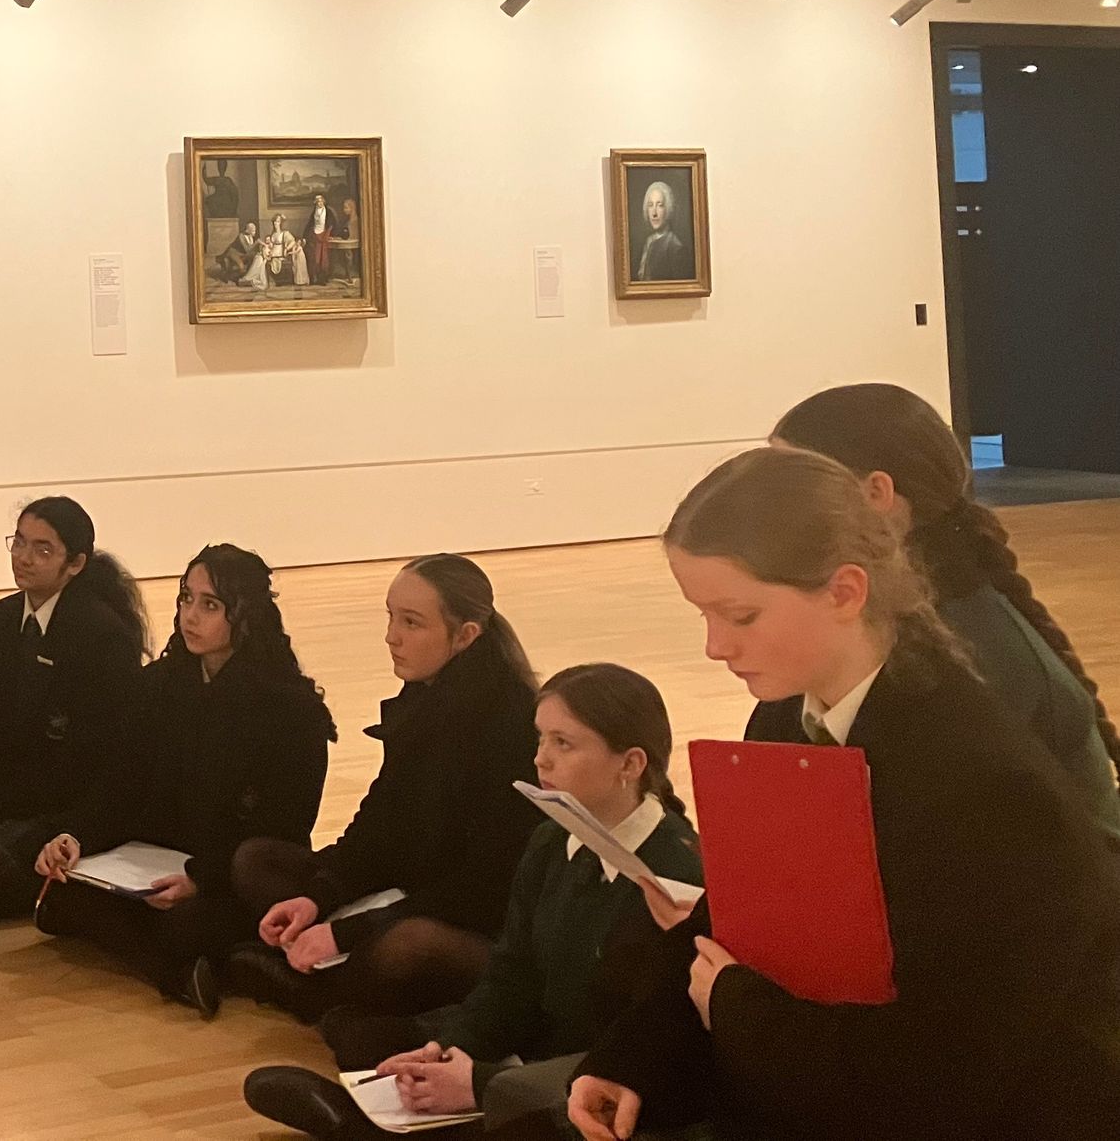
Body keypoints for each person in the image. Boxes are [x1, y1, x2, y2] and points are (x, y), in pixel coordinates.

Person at [567, 447, 1120, 1141]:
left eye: (740, 615)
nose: (714, 646)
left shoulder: (982, 784)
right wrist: (633, 1060)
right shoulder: (783, 718)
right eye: (703, 614)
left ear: (845, 592)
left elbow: (947, 1062)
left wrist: (738, 1009)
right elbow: (743, 916)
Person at [245, 664, 702, 1137]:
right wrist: (450, 1049)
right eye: (541, 738)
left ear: (630, 764)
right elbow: (513, 973)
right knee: (376, 1046)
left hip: (598, 1080)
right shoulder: (551, 839)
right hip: (538, 1047)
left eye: (563, 743)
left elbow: (642, 1044)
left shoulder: (675, 877)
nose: (540, 759)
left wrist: (480, 1082)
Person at [772, 382, 1120, 838]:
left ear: (877, 492)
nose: (769, 507)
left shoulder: (965, 649)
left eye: (793, 485)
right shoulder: (899, 614)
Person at [232, 553, 540, 1017]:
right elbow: (379, 822)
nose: (391, 636)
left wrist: (347, 932)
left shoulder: (507, 729)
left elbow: (479, 891)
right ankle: (318, 975)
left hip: (467, 918)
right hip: (405, 889)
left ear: (466, 636)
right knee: (257, 860)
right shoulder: (425, 692)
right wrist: (319, 898)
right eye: (391, 617)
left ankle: (315, 993)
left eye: (411, 622)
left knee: (407, 945)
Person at [33, 543, 336, 1016]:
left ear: (245, 616)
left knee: (185, 926)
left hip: (230, 873)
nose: (189, 616)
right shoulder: (159, 686)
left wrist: (202, 879)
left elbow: (284, 825)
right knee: (59, 896)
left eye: (210, 605)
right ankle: (185, 971)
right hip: (156, 858)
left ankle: (182, 965)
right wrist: (75, 837)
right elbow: (121, 785)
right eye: (185, 599)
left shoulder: (290, 710)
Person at [0, 496, 147, 920]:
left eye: (42, 550)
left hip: (66, 806)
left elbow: (82, 761)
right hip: (7, 793)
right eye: (19, 542)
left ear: (74, 564)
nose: (23, 558)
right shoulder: (2, 619)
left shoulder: (100, 635)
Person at [632, 181, 691, 284]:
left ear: (668, 209)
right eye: (650, 205)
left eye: (660, 205)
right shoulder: (648, 241)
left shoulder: (675, 248)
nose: (654, 213)